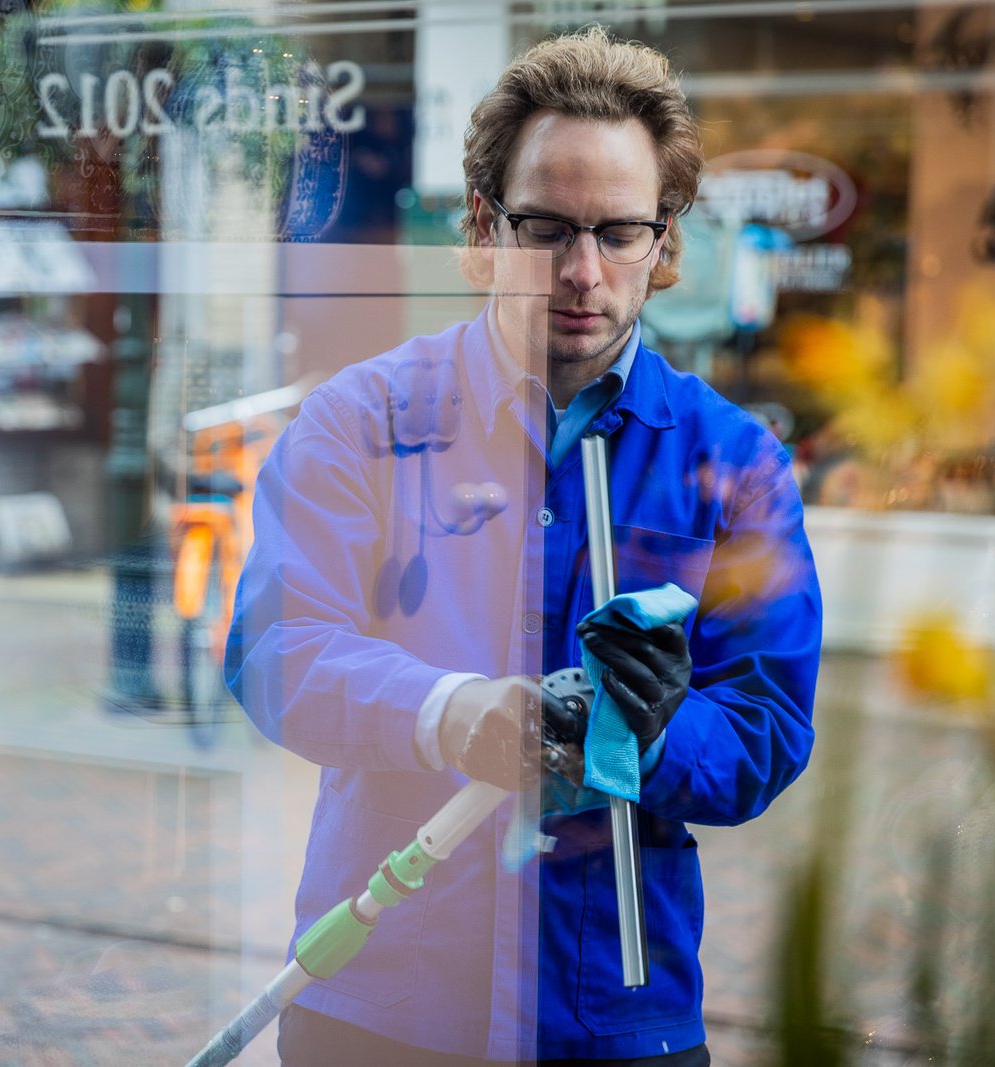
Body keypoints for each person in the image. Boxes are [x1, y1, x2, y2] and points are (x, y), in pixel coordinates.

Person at [225, 26, 821, 1066]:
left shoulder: (733, 463)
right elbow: (276, 653)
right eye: (544, 225)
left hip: (612, 1015)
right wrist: (454, 714)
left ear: (665, 243)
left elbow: (766, 726)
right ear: (480, 226)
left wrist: (630, 735)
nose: (581, 271)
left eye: (620, 231)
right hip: (380, 1001)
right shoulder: (359, 420)